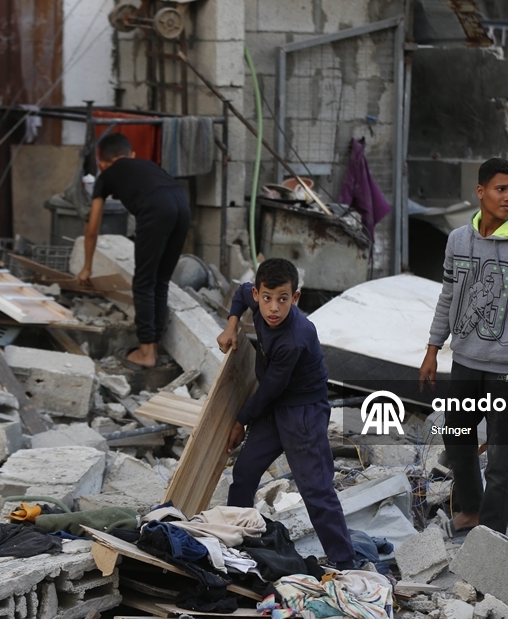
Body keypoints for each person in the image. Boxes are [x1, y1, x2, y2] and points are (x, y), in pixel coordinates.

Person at [419, 158, 508, 537]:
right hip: (465, 361)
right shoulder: (457, 240)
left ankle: (491, 534)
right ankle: (472, 510)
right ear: (480, 192)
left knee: (500, 454)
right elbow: (447, 298)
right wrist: (433, 348)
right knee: (457, 436)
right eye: (501, 189)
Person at [217, 258, 356, 570]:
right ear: (258, 294)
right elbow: (239, 294)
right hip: (273, 406)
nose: (273, 309)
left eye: (283, 299)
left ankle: (345, 562)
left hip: (303, 413)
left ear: (295, 298)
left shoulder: (295, 336)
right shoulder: (254, 301)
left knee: (315, 489)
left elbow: (269, 391)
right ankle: (236, 543)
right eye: (266, 298)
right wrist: (230, 325)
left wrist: (240, 421)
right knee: (244, 473)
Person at [78, 133, 191, 368]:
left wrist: (87, 268)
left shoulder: (106, 175)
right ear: (131, 155)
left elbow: (91, 229)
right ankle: (154, 348)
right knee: (160, 280)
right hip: (181, 201)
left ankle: (146, 352)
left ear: (102, 162)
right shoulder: (147, 165)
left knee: (143, 282)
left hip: (155, 206)